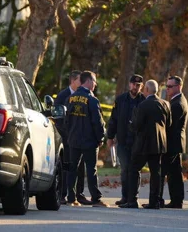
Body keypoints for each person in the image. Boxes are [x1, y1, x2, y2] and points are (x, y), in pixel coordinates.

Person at [121, 79, 171, 209]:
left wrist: (131, 125)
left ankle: (132, 200)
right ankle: (154, 201)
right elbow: (169, 124)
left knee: (133, 169)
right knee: (156, 173)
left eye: (144, 89)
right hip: (159, 144)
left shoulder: (142, 105)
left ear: (147, 90)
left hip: (143, 144)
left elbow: (136, 125)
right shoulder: (165, 104)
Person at [65, 71, 109, 207]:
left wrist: (70, 135)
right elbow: (98, 122)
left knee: (72, 169)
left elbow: (66, 121)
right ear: (88, 81)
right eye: (94, 81)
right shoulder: (92, 100)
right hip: (89, 141)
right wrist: (100, 138)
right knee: (91, 170)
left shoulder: (70, 99)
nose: (95, 84)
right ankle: (96, 199)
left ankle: (71, 198)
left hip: (74, 140)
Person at [106, 74, 145, 206]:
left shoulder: (143, 101)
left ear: (142, 86)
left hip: (137, 142)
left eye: (138, 85)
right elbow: (114, 120)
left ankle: (133, 198)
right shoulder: (121, 100)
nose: (136, 87)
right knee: (124, 169)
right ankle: (125, 197)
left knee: (134, 170)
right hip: (123, 141)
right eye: (134, 84)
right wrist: (110, 137)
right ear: (129, 84)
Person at [54, 70, 91, 205]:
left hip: (80, 138)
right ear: (73, 81)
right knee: (67, 166)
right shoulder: (63, 96)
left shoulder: (85, 95)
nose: (81, 84)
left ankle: (78, 194)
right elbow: (58, 118)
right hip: (66, 138)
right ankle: (63, 194)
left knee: (80, 167)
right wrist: (67, 133)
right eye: (80, 81)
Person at [159, 75, 188, 209]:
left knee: (162, 171)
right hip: (176, 143)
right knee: (175, 173)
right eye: (167, 86)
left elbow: (170, 126)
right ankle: (177, 201)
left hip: (172, 143)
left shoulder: (177, 104)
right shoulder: (177, 101)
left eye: (170, 86)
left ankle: (157, 199)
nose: (167, 89)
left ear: (179, 87)